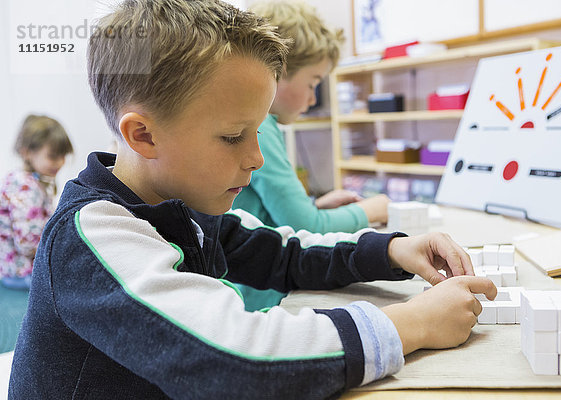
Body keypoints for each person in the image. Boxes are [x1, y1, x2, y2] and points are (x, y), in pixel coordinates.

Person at [9, 1, 496, 398]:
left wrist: (389, 251)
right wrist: (409, 323)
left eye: (258, 131)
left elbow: (283, 253)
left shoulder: (181, 204)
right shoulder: (94, 234)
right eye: (234, 136)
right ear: (144, 136)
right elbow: (235, 360)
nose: (257, 158)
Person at [232, 0, 390, 311]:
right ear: (280, 70)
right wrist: (371, 209)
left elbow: (263, 213)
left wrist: (314, 203)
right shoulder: (261, 124)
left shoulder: (265, 123)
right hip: (264, 297)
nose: (313, 98)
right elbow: (305, 225)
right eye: (313, 83)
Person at [0, 114, 73, 290]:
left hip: (12, 270)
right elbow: (27, 243)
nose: (61, 162)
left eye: (63, 156)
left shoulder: (26, 180)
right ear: (27, 152)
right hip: (20, 272)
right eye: (54, 156)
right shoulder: (26, 187)